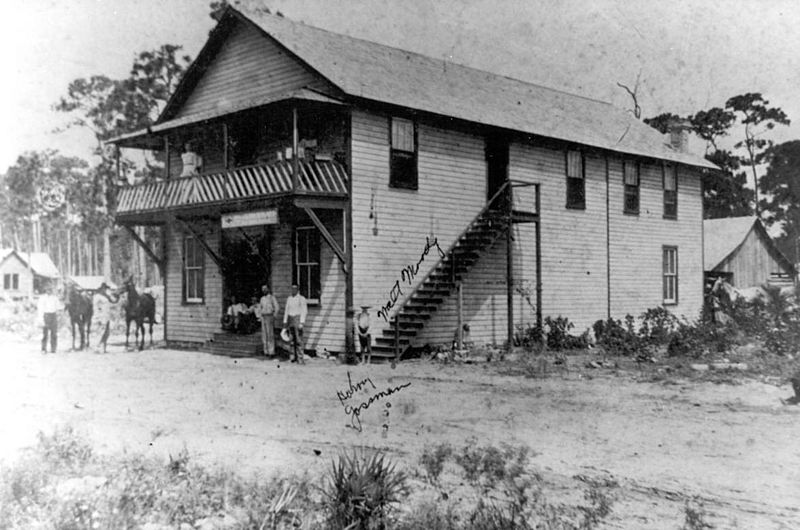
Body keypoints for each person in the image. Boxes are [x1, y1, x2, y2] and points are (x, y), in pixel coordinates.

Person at [283, 284, 308, 363]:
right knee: (291, 339)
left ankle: (300, 358)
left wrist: (302, 322)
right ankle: (292, 357)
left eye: (295, 289)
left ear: (298, 290)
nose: (293, 290)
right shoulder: (289, 299)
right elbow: (286, 310)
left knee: (299, 340)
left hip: (297, 319)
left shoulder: (301, 298)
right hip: (290, 319)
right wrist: (285, 321)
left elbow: (304, 311)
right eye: (292, 289)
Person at [37, 283, 61, 354]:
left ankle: (53, 349)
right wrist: (41, 319)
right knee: (45, 333)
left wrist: (58, 316)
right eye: (48, 290)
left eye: (50, 290)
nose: (49, 291)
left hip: (53, 315)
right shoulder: (42, 298)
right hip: (46, 315)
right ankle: (43, 349)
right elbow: (40, 309)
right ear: (45, 290)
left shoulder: (55, 298)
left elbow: (58, 307)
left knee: (54, 333)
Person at [259, 285, 280, 356]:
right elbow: (260, 308)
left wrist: (274, 316)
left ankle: (271, 351)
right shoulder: (262, 299)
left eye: (265, 289)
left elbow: (277, 307)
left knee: (270, 334)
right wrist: (260, 316)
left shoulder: (272, 298)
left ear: (268, 289)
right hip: (263, 316)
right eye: (263, 289)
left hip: (269, 316)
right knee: (264, 335)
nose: (264, 290)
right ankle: (266, 351)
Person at [92, 283, 113, 353]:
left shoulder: (106, 297)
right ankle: (96, 348)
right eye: (104, 289)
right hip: (100, 317)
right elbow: (96, 308)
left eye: (106, 289)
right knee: (100, 332)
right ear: (101, 289)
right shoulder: (97, 297)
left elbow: (113, 301)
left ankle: (103, 348)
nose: (105, 290)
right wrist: (98, 317)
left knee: (106, 333)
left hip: (106, 317)